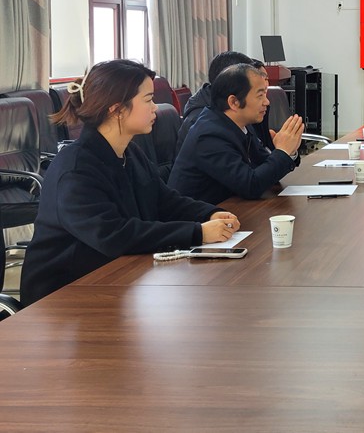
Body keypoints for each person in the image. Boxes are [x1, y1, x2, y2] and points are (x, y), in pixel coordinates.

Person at [20, 60, 239, 306]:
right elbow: (113, 235)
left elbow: (165, 201)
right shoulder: (76, 168)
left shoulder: (130, 152)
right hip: (62, 297)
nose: (155, 107)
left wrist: (210, 213)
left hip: (115, 278)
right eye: (148, 99)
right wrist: (197, 233)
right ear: (117, 110)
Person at [168, 63, 304, 205]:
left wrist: (288, 150)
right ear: (234, 102)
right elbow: (251, 186)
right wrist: (282, 151)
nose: (267, 102)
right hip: (198, 216)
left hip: (229, 208)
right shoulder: (209, 136)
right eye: (260, 95)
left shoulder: (240, 124)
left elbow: (264, 167)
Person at [177, 50, 276, 154]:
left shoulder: (238, 110)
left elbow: (258, 155)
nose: (266, 102)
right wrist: (281, 152)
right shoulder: (204, 126)